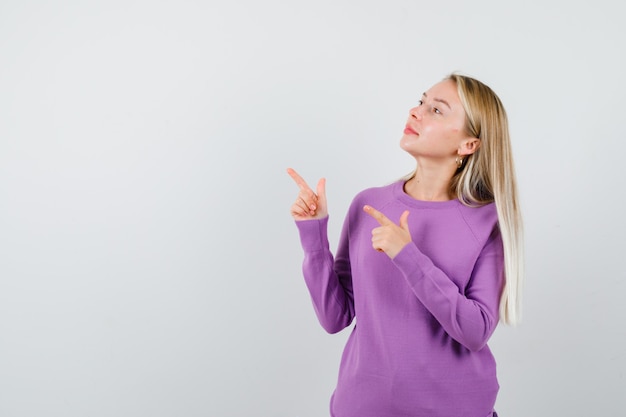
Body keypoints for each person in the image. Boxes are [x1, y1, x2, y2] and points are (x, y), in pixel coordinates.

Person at [287, 73, 523, 417]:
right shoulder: (369, 204)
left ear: (468, 144)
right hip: (362, 407)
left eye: (437, 110)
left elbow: (476, 331)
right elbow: (335, 316)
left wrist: (408, 255)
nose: (416, 112)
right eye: (421, 101)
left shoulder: (486, 221)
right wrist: (313, 233)